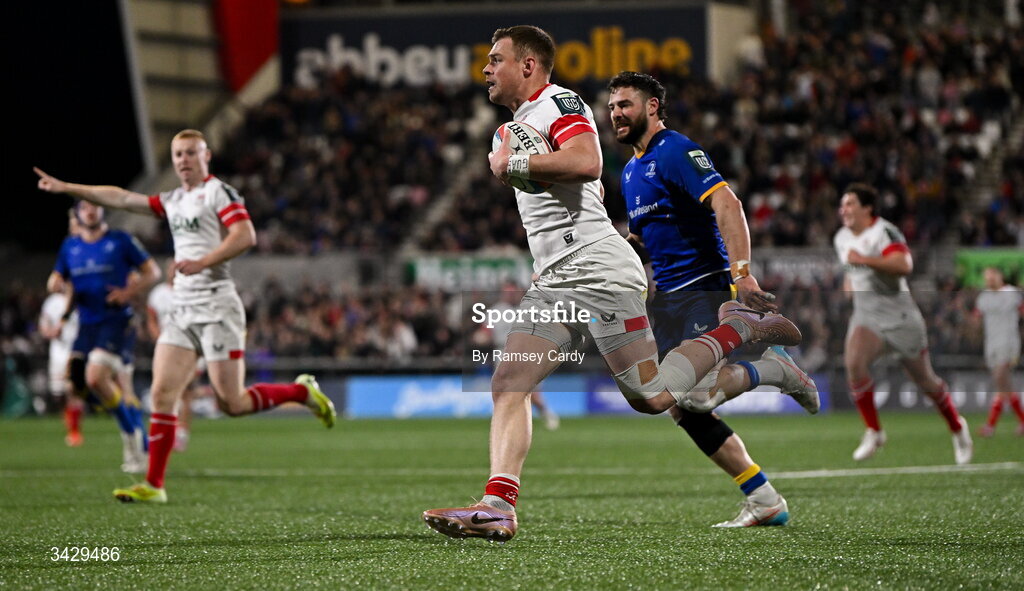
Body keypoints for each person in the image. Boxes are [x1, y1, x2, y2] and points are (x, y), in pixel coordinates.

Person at [422, 26, 804, 542]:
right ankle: (499, 505)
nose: (487, 69)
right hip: (559, 276)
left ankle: (735, 331)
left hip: (600, 274)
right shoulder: (524, 122)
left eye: (496, 59)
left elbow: (587, 162)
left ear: (529, 66)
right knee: (509, 382)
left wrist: (513, 164)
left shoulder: (558, 101)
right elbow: (589, 183)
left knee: (651, 397)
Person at [35, 128, 337, 504]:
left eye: (191, 153)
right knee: (162, 393)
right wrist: (69, 188)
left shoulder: (218, 193)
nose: (183, 160)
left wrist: (202, 262)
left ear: (206, 156)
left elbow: (245, 235)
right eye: (178, 155)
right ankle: (154, 484)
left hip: (217, 308)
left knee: (232, 402)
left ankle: (302, 392)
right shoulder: (173, 199)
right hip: (182, 311)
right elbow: (123, 198)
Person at [607, 71, 819, 527]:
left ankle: (771, 369)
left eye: (625, 104)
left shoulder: (676, 150)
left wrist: (742, 274)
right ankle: (764, 499)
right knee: (678, 407)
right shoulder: (629, 171)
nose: (616, 113)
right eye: (611, 106)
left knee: (696, 397)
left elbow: (728, 205)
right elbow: (647, 238)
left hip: (706, 286)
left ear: (652, 108)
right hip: (668, 299)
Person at [834, 183, 972, 464]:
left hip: (900, 318)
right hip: (867, 315)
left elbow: (904, 265)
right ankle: (874, 430)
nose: (843, 209)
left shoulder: (884, 232)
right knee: (854, 363)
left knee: (926, 382)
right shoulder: (840, 238)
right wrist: (850, 282)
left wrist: (866, 260)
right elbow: (851, 269)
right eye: (842, 204)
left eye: (849, 204)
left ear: (867, 208)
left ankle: (958, 428)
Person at [47, 201, 161, 471]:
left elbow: (148, 273)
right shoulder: (71, 247)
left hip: (117, 322)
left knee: (102, 378)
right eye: (83, 208)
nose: (89, 212)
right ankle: (132, 426)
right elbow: (64, 284)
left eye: (94, 206)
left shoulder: (119, 241)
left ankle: (135, 437)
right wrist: (62, 311)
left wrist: (127, 294)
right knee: (77, 383)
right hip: (87, 326)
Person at [147, 262, 210, 451]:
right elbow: (151, 320)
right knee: (164, 391)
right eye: (171, 268)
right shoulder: (158, 294)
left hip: (189, 349)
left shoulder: (191, 292)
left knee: (185, 393)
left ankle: (181, 433)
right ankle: (166, 431)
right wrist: (160, 340)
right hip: (166, 349)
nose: (174, 272)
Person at [491, 282, 560, 430]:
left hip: (526, 352)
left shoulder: (529, 308)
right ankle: (508, 421)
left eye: (512, 292)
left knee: (531, 392)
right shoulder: (496, 310)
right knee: (503, 388)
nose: (509, 295)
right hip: (502, 353)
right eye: (506, 292)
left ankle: (546, 413)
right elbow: (486, 331)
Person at [974, 267, 1023, 436]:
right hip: (991, 344)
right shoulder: (984, 297)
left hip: (1009, 343)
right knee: (1004, 385)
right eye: (986, 277)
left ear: (1000, 276)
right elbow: (976, 318)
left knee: (1000, 378)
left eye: (992, 276)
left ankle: (990, 426)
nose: (989, 279)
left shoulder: (1012, 293)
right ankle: (1022, 422)